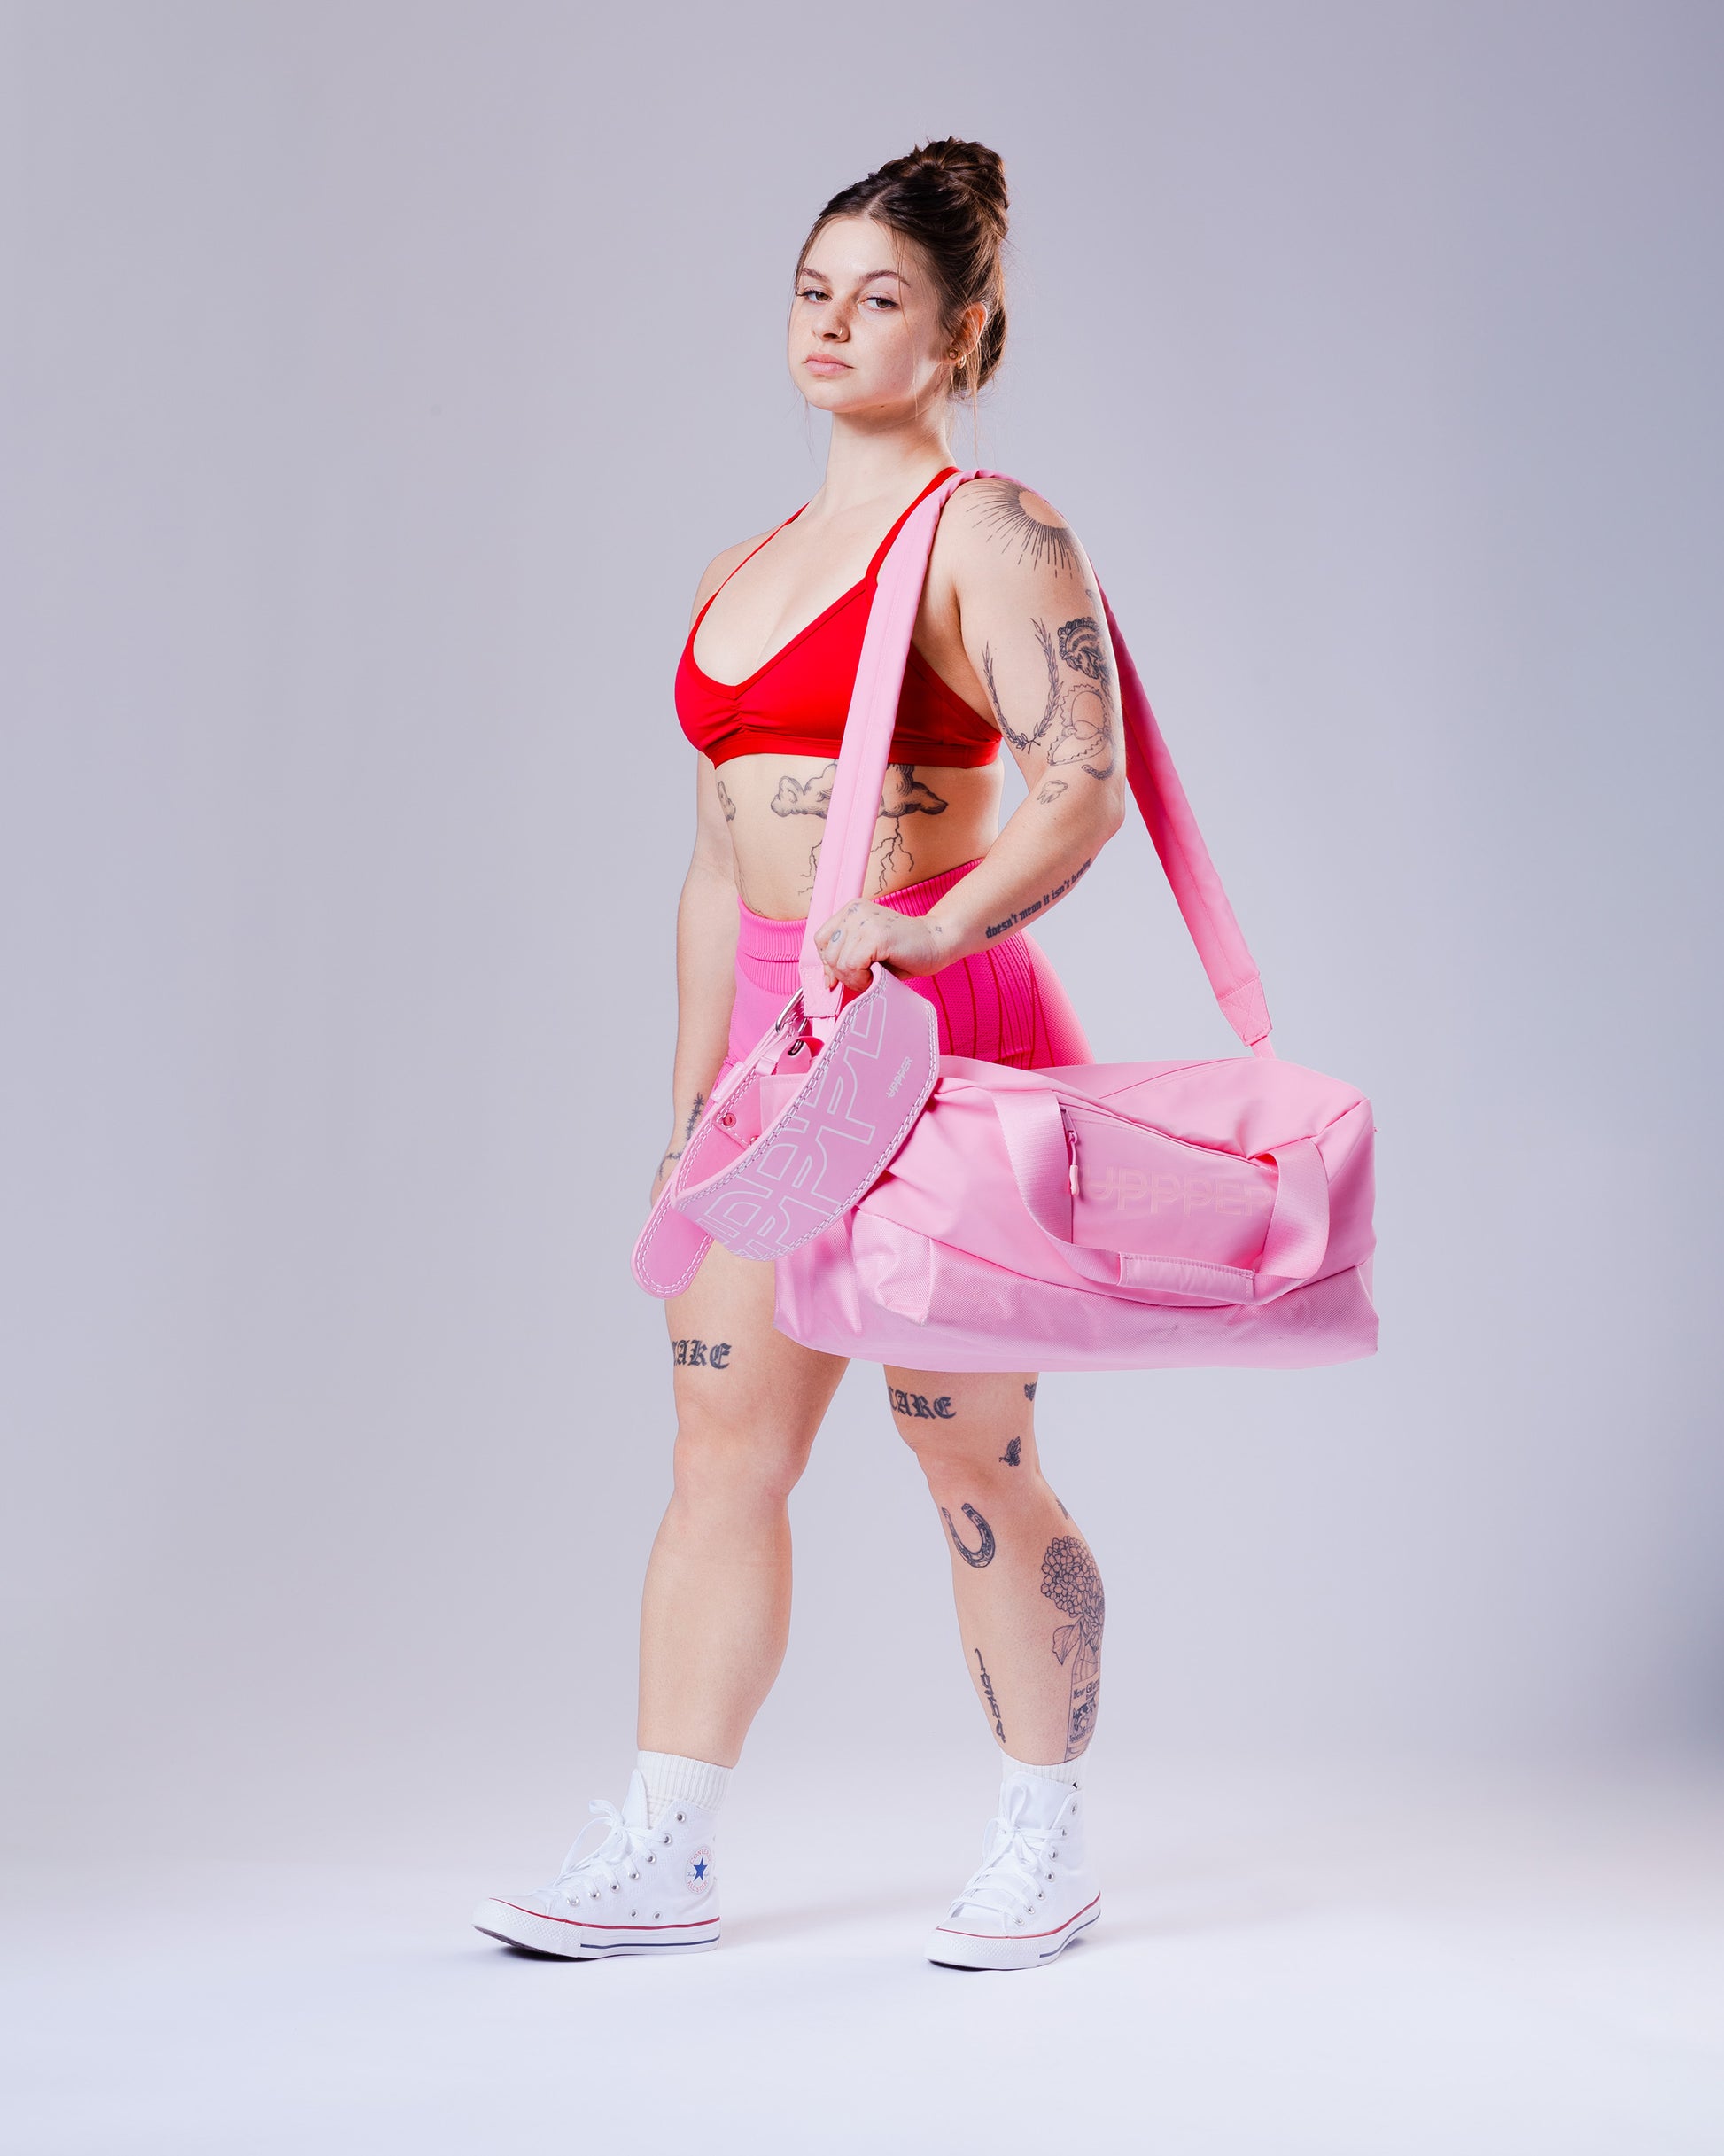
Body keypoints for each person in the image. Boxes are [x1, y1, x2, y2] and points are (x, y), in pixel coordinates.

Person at [474, 139, 1125, 1971]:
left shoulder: (991, 529)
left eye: (882, 298)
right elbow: (706, 862)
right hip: (776, 1042)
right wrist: (688, 1101)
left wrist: (938, 917)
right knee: (716, 1444)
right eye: (810, 293)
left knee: (964, 1445)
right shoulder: (742, 562)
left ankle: (1043, 1838)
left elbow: (1083, 788)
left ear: (964, 327)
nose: (835, 326)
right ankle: (662, 1847)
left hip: (932, 1030)